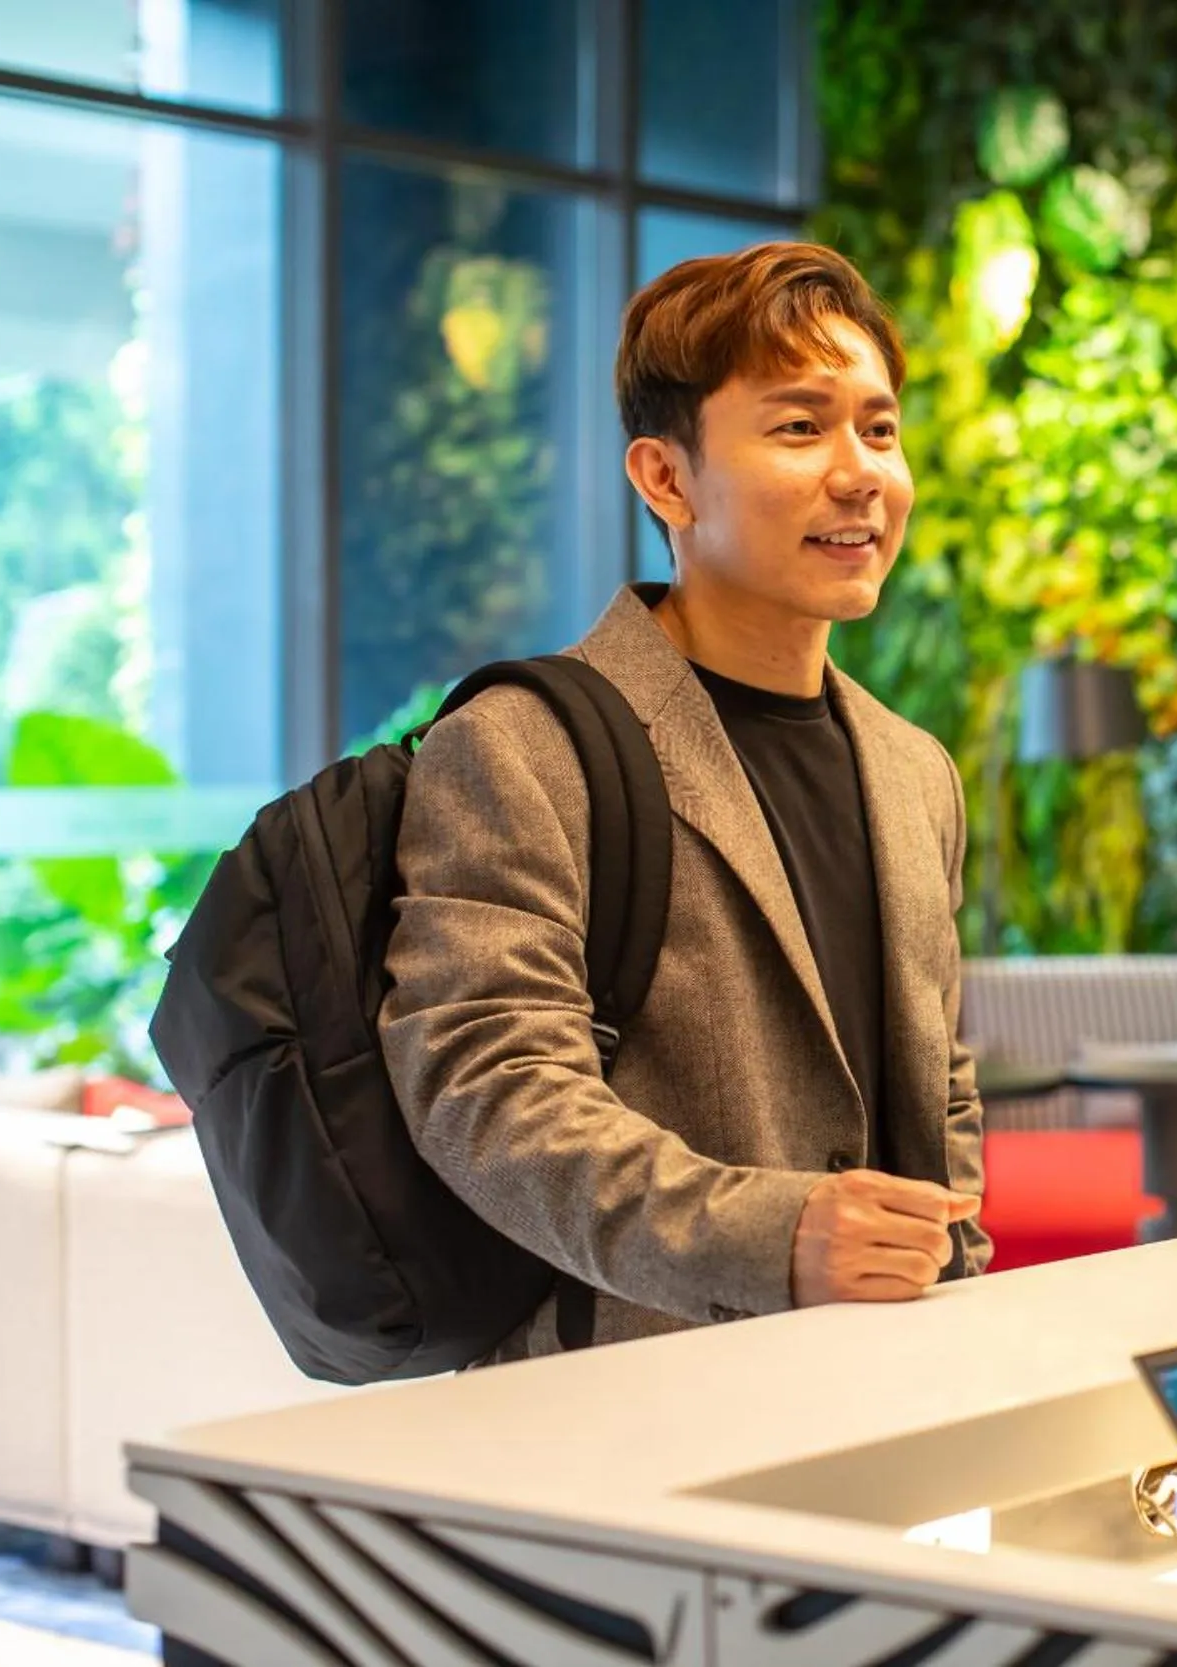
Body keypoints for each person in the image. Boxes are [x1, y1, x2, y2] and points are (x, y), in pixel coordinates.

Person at [380, 243, 990, 1362]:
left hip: (896, 1383)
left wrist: (957, 1297)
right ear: (665, 477)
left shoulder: (914, 770)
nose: (858, 472)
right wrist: (777, 1234)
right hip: (633, 1404)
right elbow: (489, 1093)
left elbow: (941, 1096)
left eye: (880, 427)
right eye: (800, 427)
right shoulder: (522, 745)